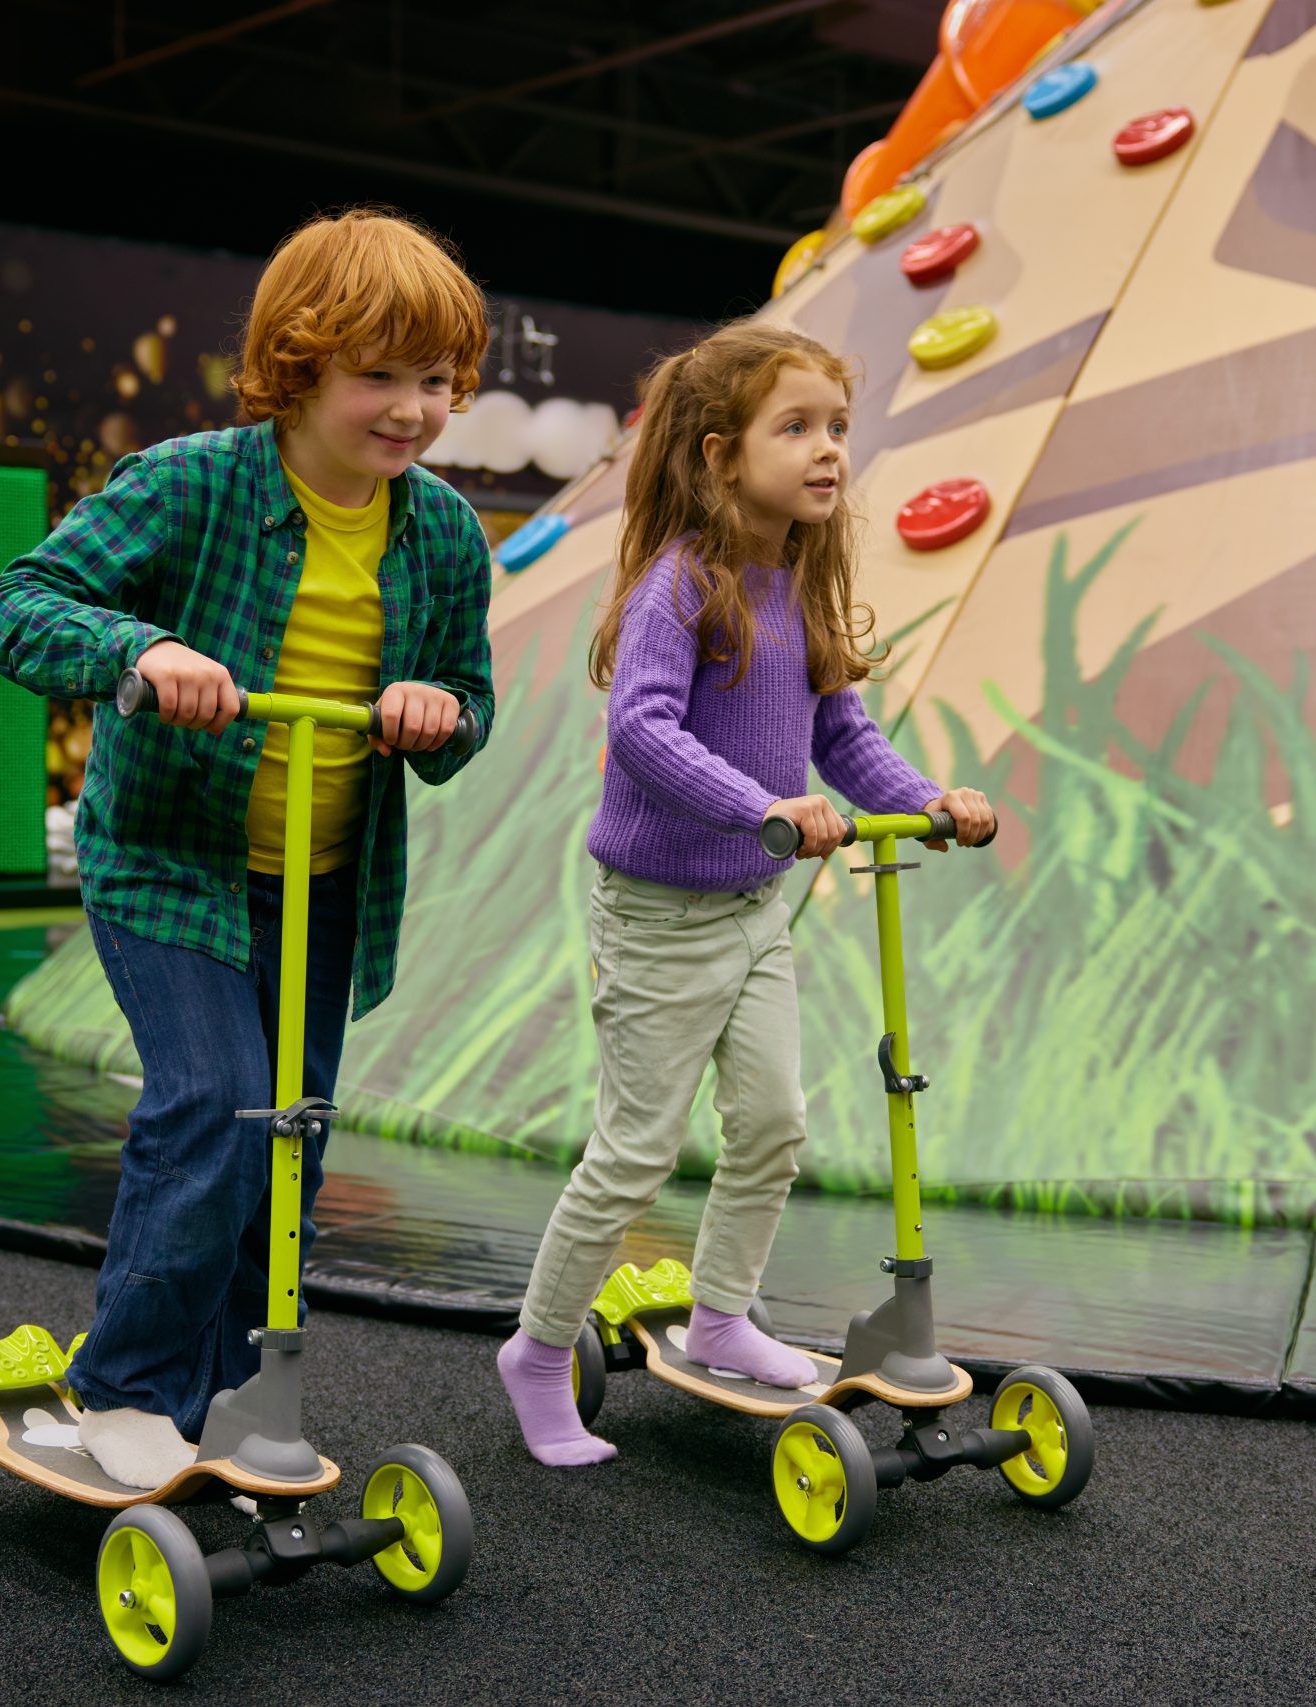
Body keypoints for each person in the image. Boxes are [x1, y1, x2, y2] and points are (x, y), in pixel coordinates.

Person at [0, 208, 496, 1487]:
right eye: (379, 376)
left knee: (287, 1134)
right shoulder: (190, 485)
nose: (411, 410)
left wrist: (435, 710)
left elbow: (468, 703)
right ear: (297, 366)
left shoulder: (440, 533)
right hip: (171, 864)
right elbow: (18, 605)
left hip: (322, 886)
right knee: (212, 1102)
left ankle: (222, 1390)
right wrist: (140, 648)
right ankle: (124, 1389)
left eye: (436, 381)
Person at [495, 319, 996, 1466]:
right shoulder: (680, 584)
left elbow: (842, 735)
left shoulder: (801, 582)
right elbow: (642, 730)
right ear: (721, 456)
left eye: (838, 428)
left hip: (753, 910)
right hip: (657, 915)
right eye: (796, 428)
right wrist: (761, 807)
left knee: (773, 1125)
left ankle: (721, 1317)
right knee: (635, 1151)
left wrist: (930, 801)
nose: (828, 450)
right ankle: (536, 1350)